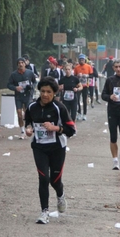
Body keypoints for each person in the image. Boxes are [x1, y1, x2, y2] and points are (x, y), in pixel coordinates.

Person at [24, 76, 76, 224]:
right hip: (39, 147)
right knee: (43, 178)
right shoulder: (32, 106)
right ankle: (44, 212)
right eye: (42, 91)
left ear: (54, 93)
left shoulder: (59, 108)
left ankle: (60, 195)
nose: (45, 95)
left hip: (57, 148)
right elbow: (28, 121)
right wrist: (28, 129)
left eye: (48, 92)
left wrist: (56, 128)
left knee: (55, 180)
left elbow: (71, 130)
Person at [7, 57, 36, 139]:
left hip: (27, 95)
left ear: (25, 64)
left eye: (22, 63)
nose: (20, 64)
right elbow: (8, 85)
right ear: (17, 65)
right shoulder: (14, 75)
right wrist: (15, 88)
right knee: (19, 114)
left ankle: (30, 128)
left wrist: (32, 88)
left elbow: (34, 82)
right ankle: (22, 131)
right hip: (19, 96)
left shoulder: (29, 73)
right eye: (19, 63)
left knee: (28, 113)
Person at [73, 54, 93, 121]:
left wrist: (86, 75)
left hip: (85, 86)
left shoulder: (88, 66)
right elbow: (74, 77)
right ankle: (79, 113)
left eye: (83, 60)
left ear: (85, 60)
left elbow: (92, 75)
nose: (81, 61)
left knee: (84, 100)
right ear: (78, 60)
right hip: (78, 86)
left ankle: (85, 114)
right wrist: (77, 76)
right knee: (77, 99)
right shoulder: (76, 67)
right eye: (80, 60)